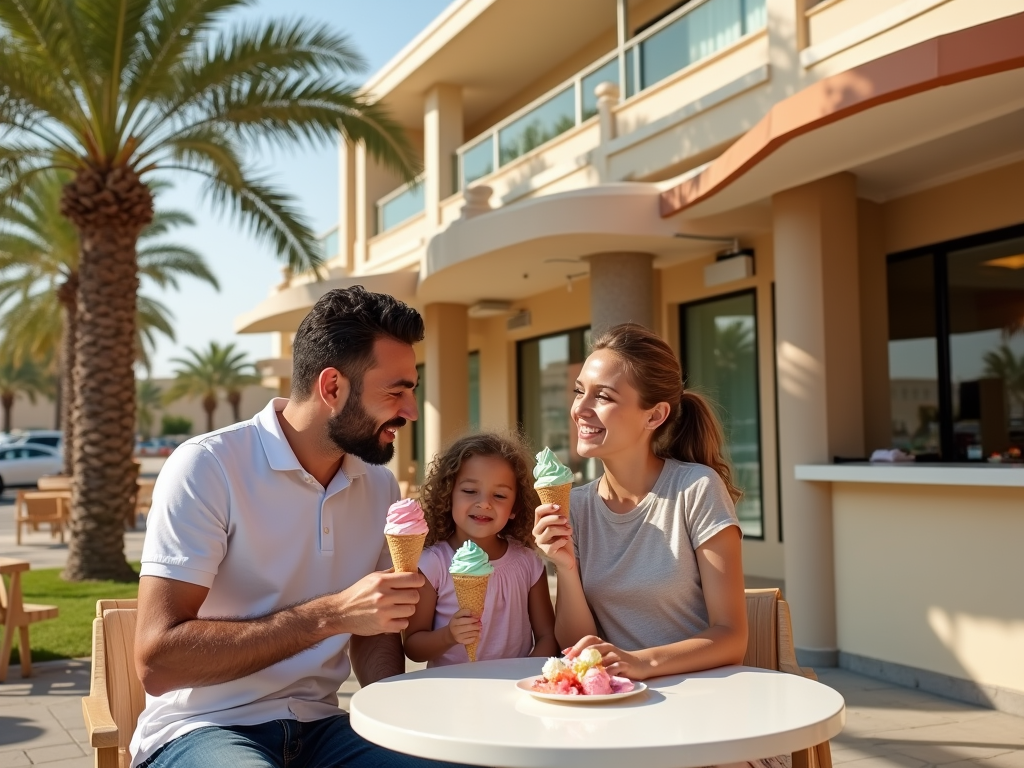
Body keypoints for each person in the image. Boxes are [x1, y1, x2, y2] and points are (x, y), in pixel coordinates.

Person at [131, 286, 463, 768]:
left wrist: (400, 715)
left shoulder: (380, 487)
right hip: (202, 729)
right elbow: (156, 662)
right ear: (332, 388)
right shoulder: (208, 467)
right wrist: (330, 616)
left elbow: (373, 632)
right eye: (397, 391)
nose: (411, 411)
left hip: (324, 727)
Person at [534, 323, 786, 768]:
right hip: (621, 724)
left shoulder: (695, 489)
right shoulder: (575, 506)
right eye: (579, 391)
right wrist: (565, 569)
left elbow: (731, 638)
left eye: (604, 397)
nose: (581, 409)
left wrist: (640, 663)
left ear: (654, 416)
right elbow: (576, 645)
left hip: (710, 725)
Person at [404, 433, 558, 666]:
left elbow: (548, 636)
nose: (484, 503)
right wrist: (448, 635)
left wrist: (525, 675)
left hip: (513, 693)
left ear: (515, 507)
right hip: (452, 694)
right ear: (448, 495)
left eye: (499, 495)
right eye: (469, 491)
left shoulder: (528, 562)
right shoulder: (432, 563)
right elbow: (413, 647)